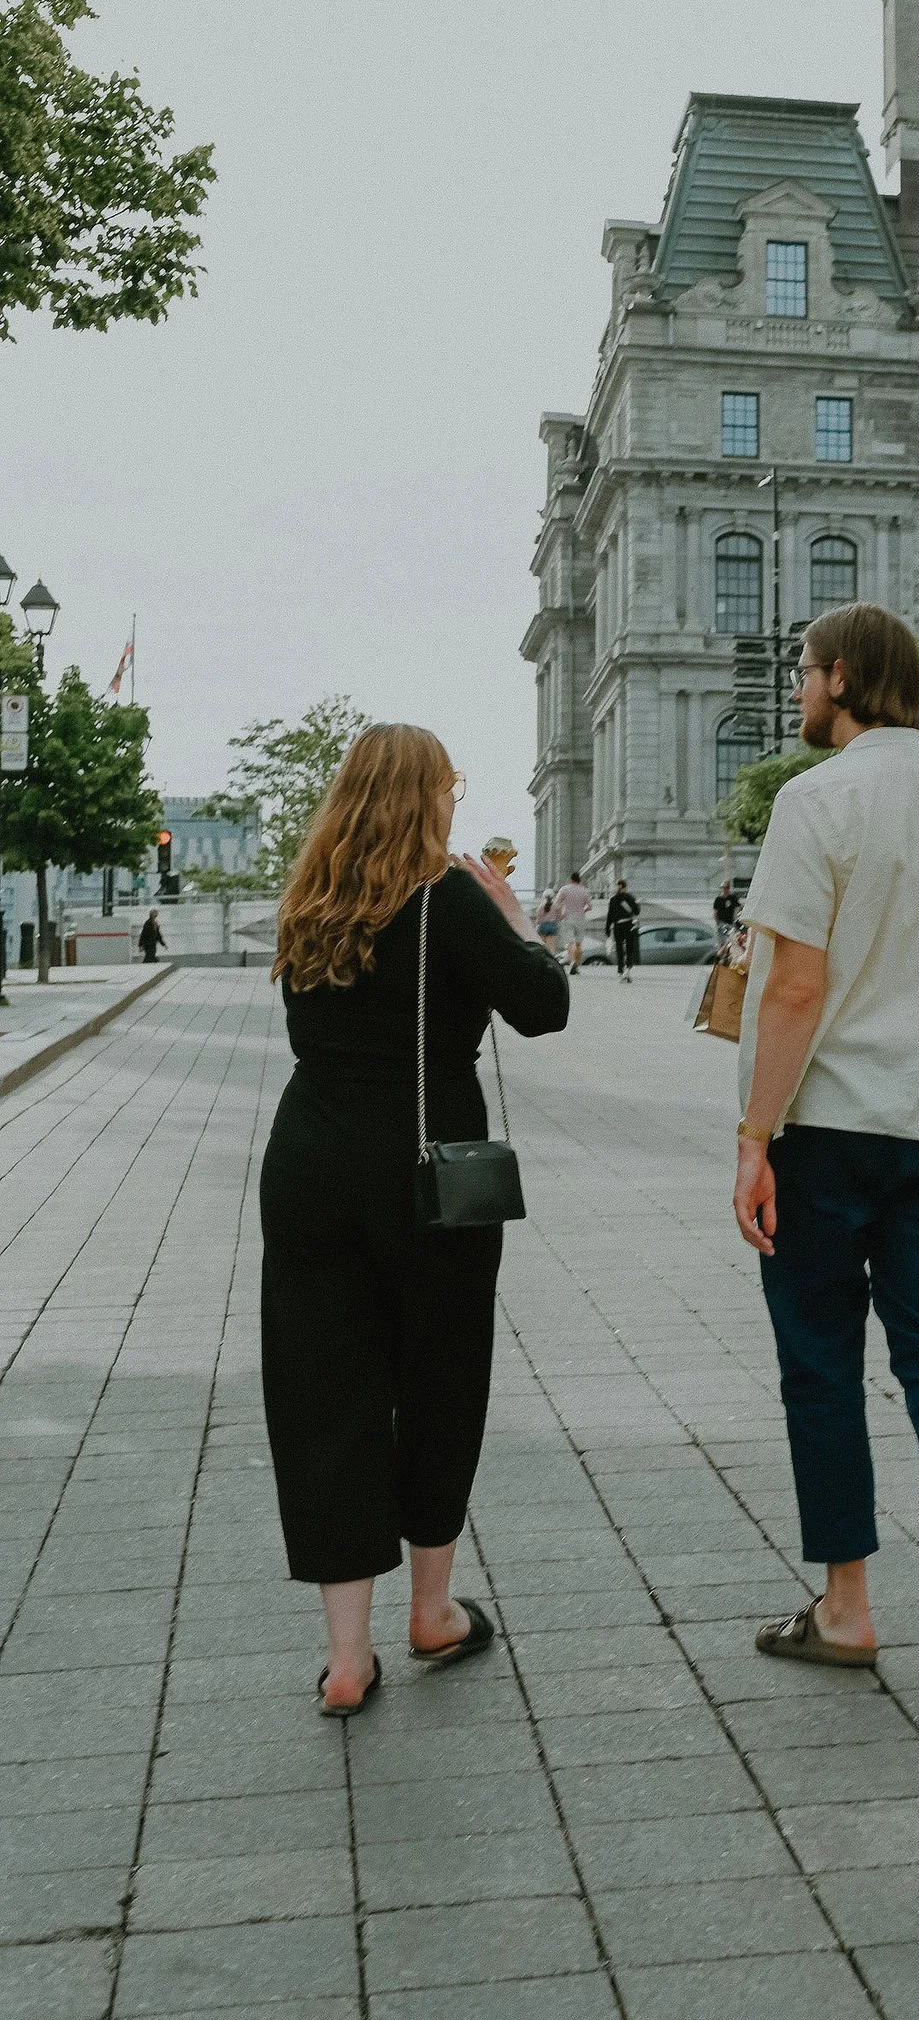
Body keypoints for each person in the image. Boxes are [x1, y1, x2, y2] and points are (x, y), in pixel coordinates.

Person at [732, 601, 919, 1716]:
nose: (798, 691)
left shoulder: (814, 800)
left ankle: (848, 1608)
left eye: (806, 673)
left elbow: (797, 988)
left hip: (827, 1125)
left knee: (820, 1361)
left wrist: (751, 1138)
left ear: (847, 680)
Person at [258, 724, 570, 1716]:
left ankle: (346, 1661)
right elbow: (541, 1008)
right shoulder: (449, 899)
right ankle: (431, 1614)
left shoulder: (311, 898)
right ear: (428, 796)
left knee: (324, 1395)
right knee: (437, 1379)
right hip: (428, 1172)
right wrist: (519, 926)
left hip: (309, 1162)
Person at [556, 869, 593, 972]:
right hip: (580, 918)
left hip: (568, 917)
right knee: (578, 943)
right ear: (579, 880)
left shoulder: (564, 889)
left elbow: (557, 903)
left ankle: (571, 961)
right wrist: (583, 910)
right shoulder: (584, 890)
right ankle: (576, 964)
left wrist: (560, 914)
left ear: (570, 879)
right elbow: (590, 906)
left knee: (570, 942)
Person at [606, 876, 641, 981]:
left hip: (618, 926)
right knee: (630, 948)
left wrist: (607, 928)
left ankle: (620, 969)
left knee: (619, 948)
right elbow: (636, 912)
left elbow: (610, 915)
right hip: (629, 925)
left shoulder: (613, 899)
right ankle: (628, 969)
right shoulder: (630, 898)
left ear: (617, 887)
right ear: (625, 887)